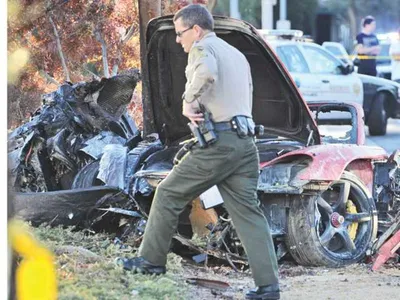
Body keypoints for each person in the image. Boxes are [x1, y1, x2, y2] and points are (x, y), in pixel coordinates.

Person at [120, 4, 280, 300]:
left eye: (181, 34)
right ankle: (268, 287)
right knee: (248, 214)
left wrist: (188, 101)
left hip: (219, 143)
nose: (179, 41)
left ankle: (151, 261)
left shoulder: (202, 48)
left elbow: (206, 73)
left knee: (168, 193)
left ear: (196, 30)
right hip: (245, 144)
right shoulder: (237, 54)